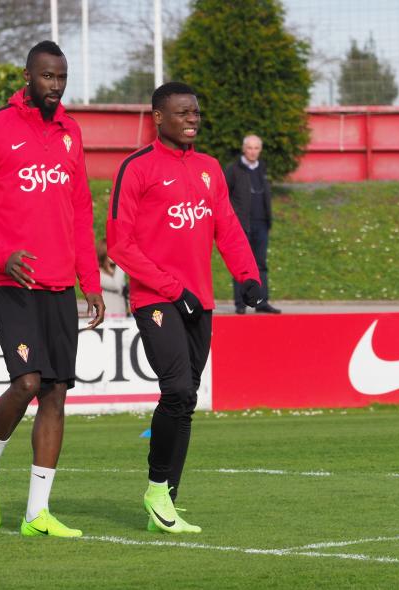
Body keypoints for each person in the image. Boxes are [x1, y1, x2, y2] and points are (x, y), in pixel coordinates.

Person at [0, 40, 105, 538]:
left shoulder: (70, 133)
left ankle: (37, 512)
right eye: (46, 77)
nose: (55, 86)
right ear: (27, 75)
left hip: (60, 282)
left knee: (56, 392)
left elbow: (81, 212)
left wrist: (91, 281)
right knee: (29, 382)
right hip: (10, 279)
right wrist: (0, 254)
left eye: (61, 77)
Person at [106, 82, 262, 534]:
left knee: (186, 399)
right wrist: (173, 288)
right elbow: (120, 244)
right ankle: (157, 490)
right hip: (158, 298)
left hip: (201, 301)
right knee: (176, 388)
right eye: (183, 112)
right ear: (158, 117)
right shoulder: (136, 169)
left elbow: (228, 229)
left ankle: (166, 502)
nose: (193, 118)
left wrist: (248, 277)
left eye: (196, 111)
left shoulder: (210, 168)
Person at [225, 134, 280, 314]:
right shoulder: (233, 170)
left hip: (261, 224)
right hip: (241, 226)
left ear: (260, 150)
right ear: (243, 149)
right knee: (241, 265)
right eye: (249, 148)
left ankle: (261, 302)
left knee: (260, 264)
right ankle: (240, 304)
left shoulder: (262, 168)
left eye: (256, 148)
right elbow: (224, 197)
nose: (253, 152)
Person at [97, 238, 127, 317]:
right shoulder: (97, 273)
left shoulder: (116, 271)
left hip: (121, 317)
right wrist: (121, 261)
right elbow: (115, 285)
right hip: (105, 318)